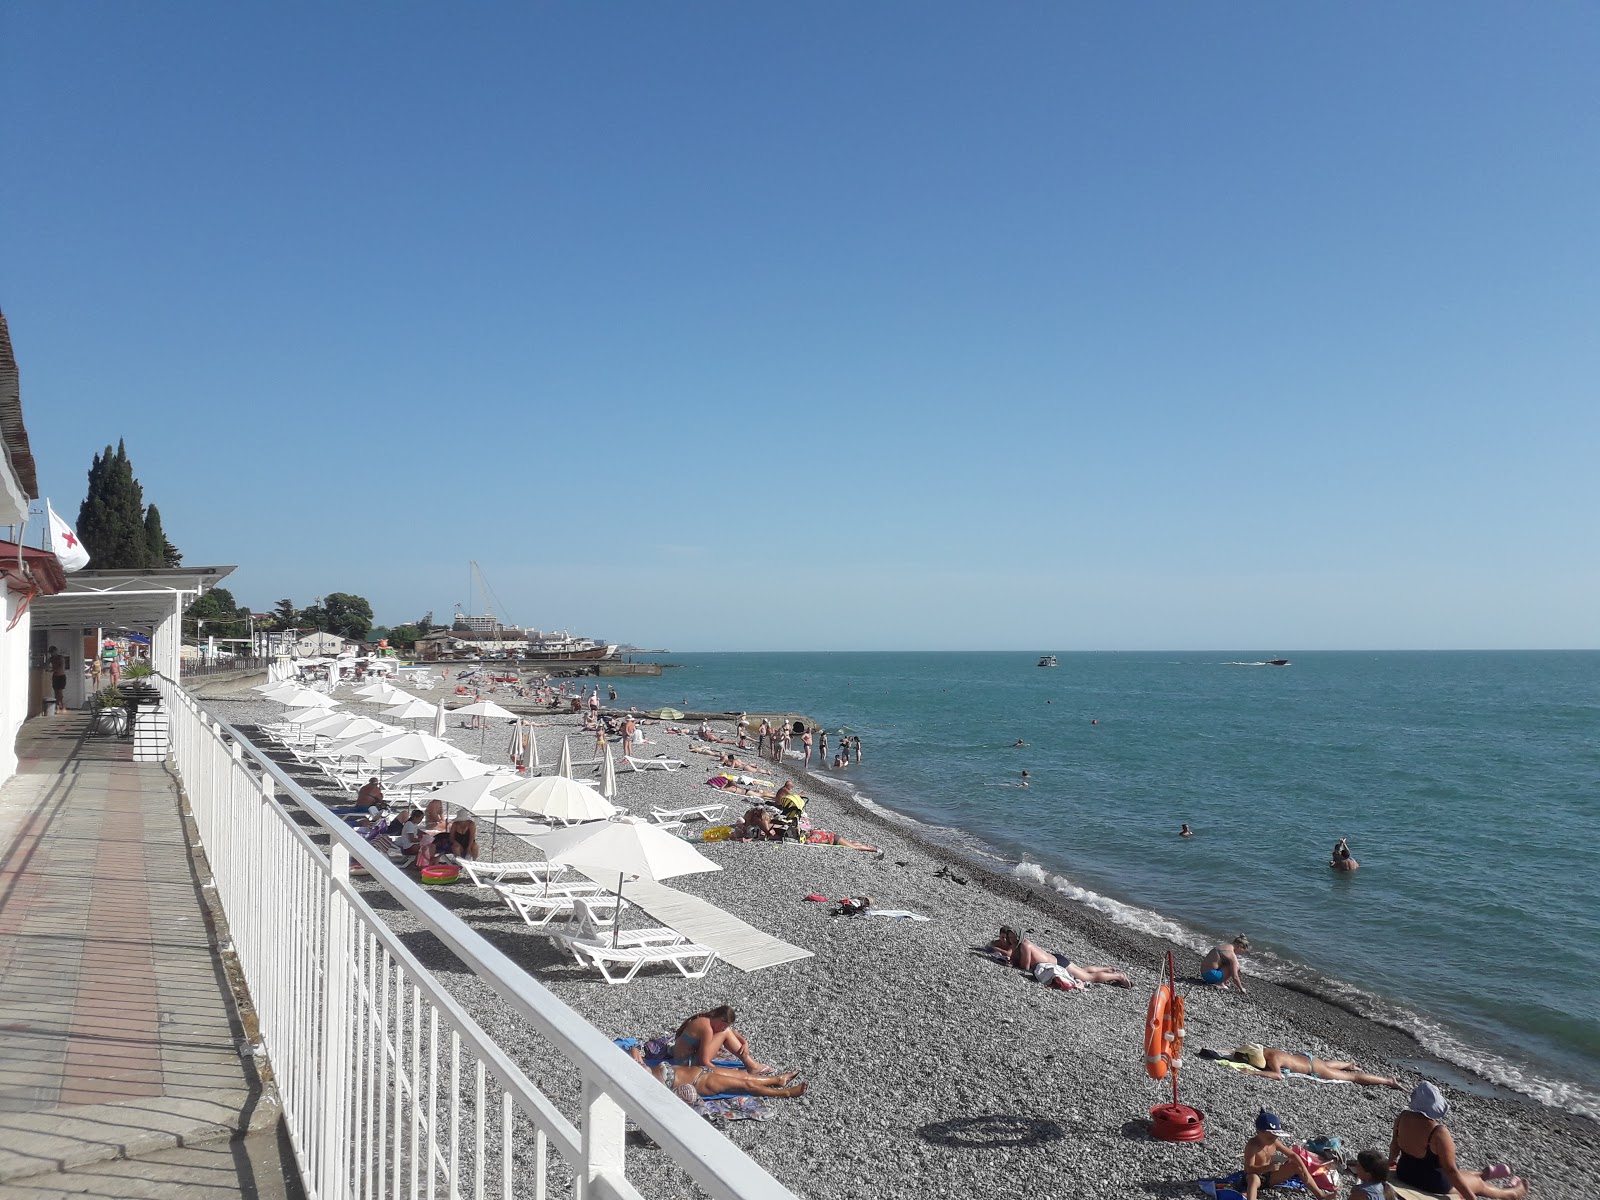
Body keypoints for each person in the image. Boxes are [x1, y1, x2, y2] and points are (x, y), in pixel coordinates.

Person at [1389, 1082, 1527, 1200]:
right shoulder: (1438, 1132)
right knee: (1478, 1184)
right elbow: (1451, 1171)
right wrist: (1470, 1198)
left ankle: (1484, 1173)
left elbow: (1394, 1145)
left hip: (1405, 1173)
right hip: (1431, 1183)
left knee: (1463, 1174)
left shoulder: (1402, 1117)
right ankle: (1512, 1193)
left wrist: (1390, 1165)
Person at [630, 1046, 804, 1101]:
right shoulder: (648, 1083)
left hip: (700, 1070)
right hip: (700, 1082)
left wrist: (635, 1057)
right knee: (746, 1085)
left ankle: (777, 1079)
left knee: (743, 1075)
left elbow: (634, 1049)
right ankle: (785, 1092)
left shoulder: (641, 1068)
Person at [989, 926, 1132, 988]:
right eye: (1010, 938)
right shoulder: (1019, 944)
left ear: (1019, 935)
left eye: (1014, 938)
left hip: (1059, 964)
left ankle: (1119, 976)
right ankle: (1107, 969)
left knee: (1089, 978)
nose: (1012, 940)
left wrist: (1012, 962)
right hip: (1056, 960)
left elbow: (1025, 967)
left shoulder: (1025, 946)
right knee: (1081, 971)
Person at [1243, 1110, 1335, 1200]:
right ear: (1259, 1132)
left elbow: (1293, 1155)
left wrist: (1303, 1169)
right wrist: (1268, 1168)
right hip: (1256, 1175)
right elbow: (1249, 1169)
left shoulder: (1274, 1142)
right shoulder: (1252, 1145)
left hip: (1270, 1175)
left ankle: (1320, 1195)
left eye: (1276, 1136)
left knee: (1296, 1166)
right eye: (1270, 1137)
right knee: (1253, 1179)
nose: (1273, 1139)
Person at [1231, 1043, 1402, 1088]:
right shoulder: (1268, 1050)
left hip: (1313, 1068)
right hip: (1308, 1059)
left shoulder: (1273, 1060)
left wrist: (1253, 1073)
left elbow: (1278, 1075)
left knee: (1353, 1077)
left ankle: (1387, 1080)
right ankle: (1348, 1063)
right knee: (1327, 1065)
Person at [672, 1005, 766, 1073]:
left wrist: (745, 1043)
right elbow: (703, 1062)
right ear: (720, 1019)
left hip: (682, 1058)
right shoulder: (707, 1029)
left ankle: (751, 1064)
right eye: (724, 1025)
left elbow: (732, 1031)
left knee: (726, 1032)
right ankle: (752, 1065)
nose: (724, 1028)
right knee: (725, 1033)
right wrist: (723, 1073)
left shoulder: (706, 1019)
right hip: (685, 1064)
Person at [803, 829, 880, 851]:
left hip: (835, 840)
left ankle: (873, 849)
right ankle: (865, 845)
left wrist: (805, 841)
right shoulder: (814, 831)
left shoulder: (813, 836)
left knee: (854, 847)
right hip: (835, 837)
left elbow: (808, 842)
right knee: (850, 843)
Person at [48, 646, 68, 712]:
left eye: (52, 652)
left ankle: (62, 706)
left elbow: (61, 667)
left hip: (61, 676)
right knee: (56, 693)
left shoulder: (60, 658)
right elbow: (46, 664)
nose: (51, 654)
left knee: (60, 693)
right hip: (55, 677)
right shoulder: (51, 658)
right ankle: (57, 707)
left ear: (55, 651)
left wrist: (52, 670)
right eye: (50, 653)